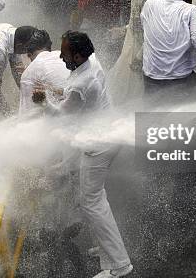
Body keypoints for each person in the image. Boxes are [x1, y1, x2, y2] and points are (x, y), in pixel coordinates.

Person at [33, 31, 133, 278]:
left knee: (92, 202)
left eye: (65, 52)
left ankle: (119, 265)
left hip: (97, 145)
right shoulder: (92, 62)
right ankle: (107, 249)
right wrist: (59, 92)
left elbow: (61, 116)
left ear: (77, 55)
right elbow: (77, 98)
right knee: (96, 198)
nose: (60, 55)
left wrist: (43, 102)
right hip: (108, 132)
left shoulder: (80, 84)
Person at [108, 0, 163, 103]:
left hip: (140, 52)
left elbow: (154, 32)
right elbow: (139, 20)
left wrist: (139, 59)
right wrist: (124, 29)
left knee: (136, 92)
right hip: (132, 46)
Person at [18, 29, 69, 115]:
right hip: (83, 113)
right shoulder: (67, 56)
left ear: (29, 55)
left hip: (59, 121)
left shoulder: (29, 73)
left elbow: (26, 116)